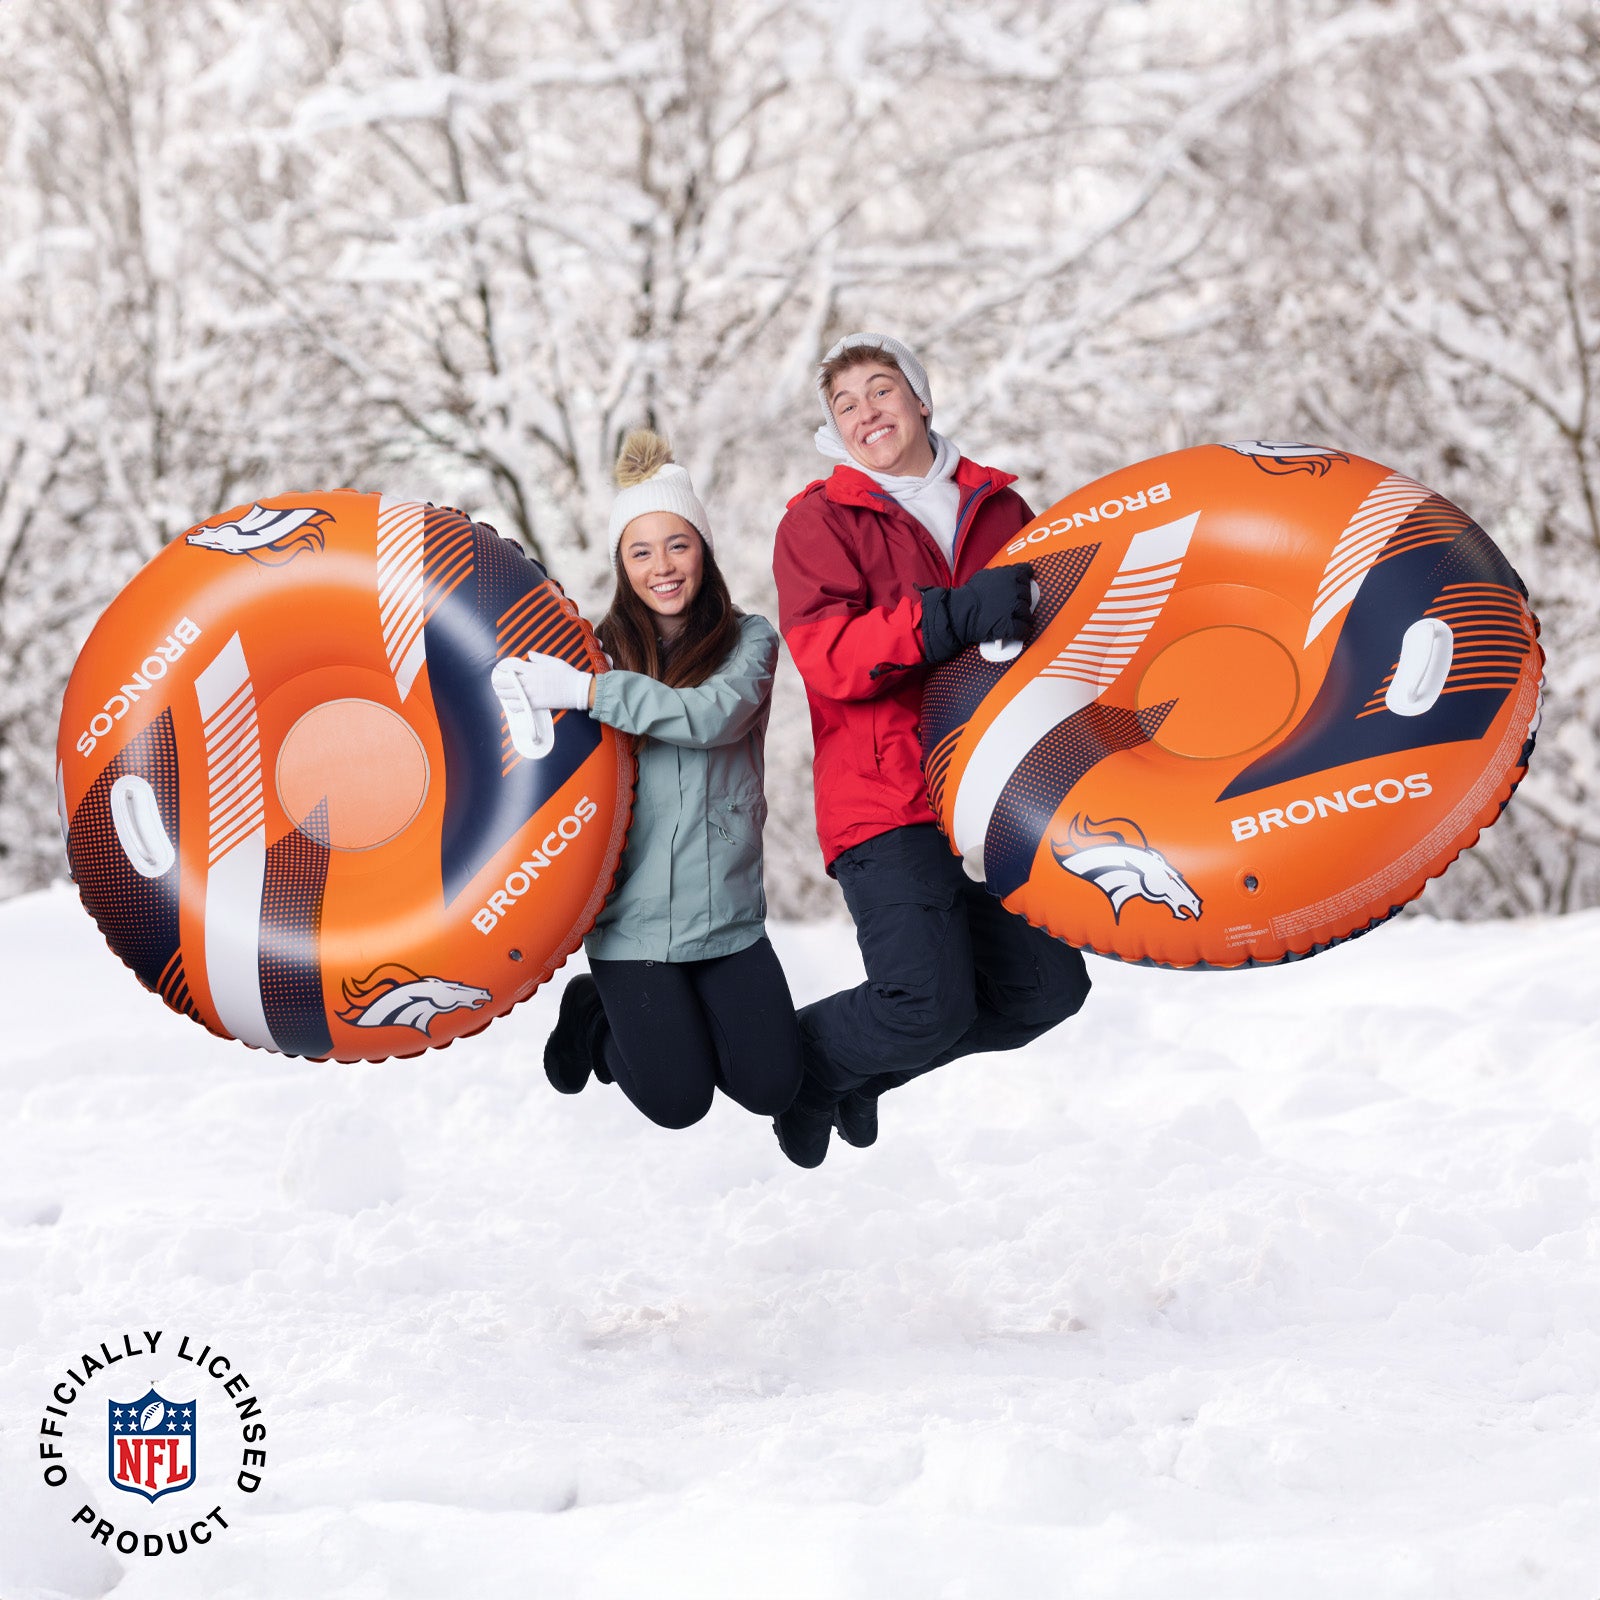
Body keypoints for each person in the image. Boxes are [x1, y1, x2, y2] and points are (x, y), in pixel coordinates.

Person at [771, 332, 1092, 1167]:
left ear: (920, 399)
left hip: (998, 795)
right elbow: (828, 659)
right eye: (844, 404)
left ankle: (857, 1074)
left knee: (1046, 992)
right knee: (922, 1003)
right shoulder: (818, 521)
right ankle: (802, 1066)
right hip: (886, 801)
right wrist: (947, 616)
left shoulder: (1003, 510)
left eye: (881, 390)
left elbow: (1060, 646)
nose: (865, 412)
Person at [496, 429, 803, 1132]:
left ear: (704, 550)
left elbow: (710, 717)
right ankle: (596, 1019)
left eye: (677, 544)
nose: (661, 567)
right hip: (630, 926)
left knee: (772, 1086)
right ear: (622, 564)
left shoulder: (750, 641)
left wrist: (591, 694)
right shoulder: (594, 653)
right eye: (640, 551)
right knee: (677, 1103)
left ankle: (671, 1026)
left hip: (724, 918)